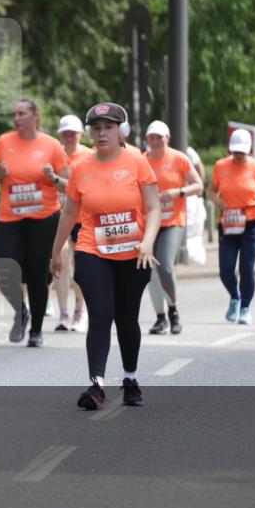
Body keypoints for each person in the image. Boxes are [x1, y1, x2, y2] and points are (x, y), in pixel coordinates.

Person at [50, 102, 160, 410]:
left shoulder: (137, 161)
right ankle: (96, 385)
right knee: (100, 315)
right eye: (96, 128)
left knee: (127, 317)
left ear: (121, 131)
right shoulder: (81, 168)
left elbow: (154, 207)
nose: (102, 134)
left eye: (109, 127)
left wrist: (147, 242)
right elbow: (69, 212)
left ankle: (130, 378)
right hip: (92, 249)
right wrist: (56, 251)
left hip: (134, 253)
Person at [0, 98, 70, 347]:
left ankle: (36, 330)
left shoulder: (51, 145)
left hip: (44, 219)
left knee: (37, 275)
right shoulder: (4, 142)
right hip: (11, 219)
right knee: (4, 268)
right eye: (14, 114)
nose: (16, 118)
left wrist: (53, 178)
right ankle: (20, 310)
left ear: (35, 116)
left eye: (22, 113)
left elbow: (69, 185)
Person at [209, 129, 255, 326]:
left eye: (242, 152)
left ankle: (245, 307)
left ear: (249, 150)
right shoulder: (221, 166)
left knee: (246, 268)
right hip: (228, 222)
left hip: (252, 221)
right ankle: (235, 297)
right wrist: (217, 201)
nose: (238, 156)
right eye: (235, 151)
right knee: (225, 269)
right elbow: (211, 191)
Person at [143, 120, 203, 335]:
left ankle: (173, 311)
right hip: (149, 222)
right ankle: (160, 318)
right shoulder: (141, 160)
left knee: (165, 265)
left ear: (167, 138)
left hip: (173, 221)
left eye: (159, 137)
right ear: (147, 139)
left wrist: (177, 193)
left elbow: (199, 186)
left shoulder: (179, 158)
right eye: (152, 137)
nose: (155, 141)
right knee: (149, 269)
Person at [53, 114, 90, 331]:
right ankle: (63, 313)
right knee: (61, 258)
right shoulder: (54, 153)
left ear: (81, 134)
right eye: (65, 133)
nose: (69, 137)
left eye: (73, 133)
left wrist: (56, 179)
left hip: (82, 216)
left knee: (79, 265)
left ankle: (79, 310)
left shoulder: (88, 156)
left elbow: (80, 186)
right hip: (58, 214)